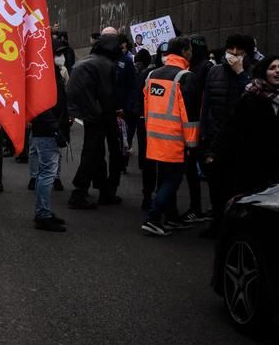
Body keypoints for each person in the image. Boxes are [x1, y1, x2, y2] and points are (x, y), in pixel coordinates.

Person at [208, 56, 279, 197]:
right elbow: (231, 127)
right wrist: (214, 152)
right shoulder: (250, 97)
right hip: (254, 164)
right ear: (264, 72)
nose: (278, 71)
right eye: (272, 68)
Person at [139, 37, 201, 237]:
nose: (191, 53)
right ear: (184, 52)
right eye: (190, 50)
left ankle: (171, 218)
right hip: (176, 138)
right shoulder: (185, 77)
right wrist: (192, 143)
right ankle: (153, 218)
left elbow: (147, 106)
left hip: (155, 136)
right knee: (172, 181)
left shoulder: (152, 75)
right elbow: (190, 114)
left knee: (163, 177)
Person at [199, 34, 256, 238]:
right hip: (216, 138)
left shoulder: (253, 72)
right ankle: (217, 222)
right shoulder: (214, 72)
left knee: (239, 186)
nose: (233, 54)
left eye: (239, 50)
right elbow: (206, 106)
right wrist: (204, 135)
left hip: (242, 141)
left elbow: (254, 100)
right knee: (216, 186)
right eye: (230, 49)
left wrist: (240, 73)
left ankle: (236, 227)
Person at [66, 33, 125, 209]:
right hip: (99, 113)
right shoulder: (106, 65)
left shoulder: (87, 61)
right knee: (97, 151)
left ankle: (100, 189)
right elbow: (107, 94)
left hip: (88, 111)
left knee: (94, 151)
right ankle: (82, 192)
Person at [28, 50, 70, 232]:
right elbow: (44, 107)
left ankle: (43, 211)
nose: (61, 57)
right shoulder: (44, 76)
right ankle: (43, 214)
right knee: (47, 173)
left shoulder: (49, 73)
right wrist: (55, 128)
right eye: (58, 53)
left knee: (45, 173)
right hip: (47, 131)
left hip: (47, 129)